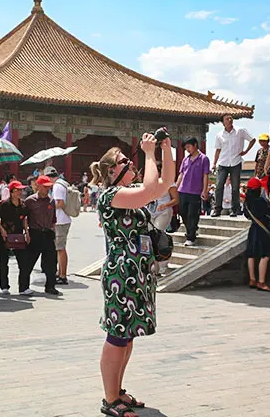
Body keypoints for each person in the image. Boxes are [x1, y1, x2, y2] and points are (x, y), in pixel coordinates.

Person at [91, 133, 175, 417]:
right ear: (112, 171)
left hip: (138, 271)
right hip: (121, 272)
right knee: (117, 335)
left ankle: (118, 390)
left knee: (127, 336)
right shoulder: (111, 196)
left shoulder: (130, 191)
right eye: (123, 161)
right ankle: (109, 398)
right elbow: (152, 191)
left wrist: (165, 151)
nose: (130, 164)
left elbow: (164, 184)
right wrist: (149, 153)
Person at [22, 175, 61, 296]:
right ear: (38, 186)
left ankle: (50, 286)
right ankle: (23, 287)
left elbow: (54, 219)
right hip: (35, 233)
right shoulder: (30, 201)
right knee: (28, 262)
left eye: (49, 187)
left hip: (48, 233)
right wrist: (26, 232)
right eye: (45, 187)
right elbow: (24, 218)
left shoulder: (51, 200)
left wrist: (54, 233)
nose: (47, 189)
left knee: (51, 262)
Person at [212, 114, 256, 217]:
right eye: (227, 118)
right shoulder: (219, 135)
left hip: (235, 162)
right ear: (223, 122)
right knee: (219, 186)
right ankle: (217, 208)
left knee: (235, 188)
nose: (230, 120)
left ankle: (235, 209)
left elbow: (252, 139)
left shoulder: (240, 131)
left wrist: (246, 151)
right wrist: (214, 163)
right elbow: (218, 150)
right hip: (223, 163)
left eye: (231, 118)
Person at [0, 180, 31, 295]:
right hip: (5, 236)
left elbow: (24, 219)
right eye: (18, 190)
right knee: (3, 261)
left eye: (21, 190)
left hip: (19, 235)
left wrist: (27, 233)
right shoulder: (4, 204)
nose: (20, 192)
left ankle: (24, 287)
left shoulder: (23, 204)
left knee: (24, 261)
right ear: (11, 192)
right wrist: (2, 229)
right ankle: (4, 286)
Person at [176, 137, 210, 246]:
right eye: (186, 148)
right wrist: (175, 187)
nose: (187, 149)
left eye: (189, 147)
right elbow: (181, 174)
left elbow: (205, 175)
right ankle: (192, 229)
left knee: (192, 214)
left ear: (195, 145)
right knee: (182, 212)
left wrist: (204, 190)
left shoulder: (204, 159)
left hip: (195, 192)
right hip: (183, 190)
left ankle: (191, 237)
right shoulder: (185, 160)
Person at [244, 177, 270, 292]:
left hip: (253, 228)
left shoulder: (247, 202)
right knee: (265, 255)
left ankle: (252, 279)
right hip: (262, 229)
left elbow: (247, 215)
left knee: (251, 254)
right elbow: (269, 213)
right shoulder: (261, 201)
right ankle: (261, 282)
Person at [147, 163, 179, 274]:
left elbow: (176, 199)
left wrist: (165, 205)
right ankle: (154, 267)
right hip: (151, 212)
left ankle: (162, 265)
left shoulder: (169, 183)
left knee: (158, 236)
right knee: (149, 238)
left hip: (164, 212)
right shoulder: (150, 183)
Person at [44, 166, 72, 285]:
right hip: (63, 219)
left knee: (60, 249)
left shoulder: (57, 186)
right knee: (59, 248)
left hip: (60, 220)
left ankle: (63, 275)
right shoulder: (63, 183)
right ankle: (60, 272)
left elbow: (60, 203)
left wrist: (49, 207)